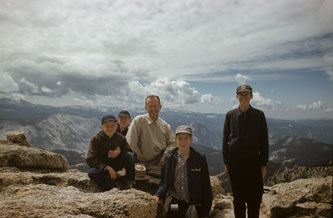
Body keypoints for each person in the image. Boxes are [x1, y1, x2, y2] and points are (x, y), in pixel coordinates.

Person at [222, 84, 269, 218]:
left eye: (246, 94)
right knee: (238, 199)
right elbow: (225, 140)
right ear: (237, 97)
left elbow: (264, 141)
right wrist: (226, 162)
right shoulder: (230, 115)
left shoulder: (259, 115)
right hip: (235, 163)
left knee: (254, 199)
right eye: (241, 94)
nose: (244, 97)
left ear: (251, 96)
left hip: (254, 163)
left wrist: (263, 164)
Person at [153, 125, 213, 218]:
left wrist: (205, 212)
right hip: (175, 202)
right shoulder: (169, 157)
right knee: (173, 216)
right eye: (180, 139)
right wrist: (158, 195)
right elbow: (164, 182)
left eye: (186, 138)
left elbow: (206, 187)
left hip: (193, 204)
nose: (183, 142)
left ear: (191, 139)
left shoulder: (199, 159)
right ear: (175, 139)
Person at [126, 95, 177, 177]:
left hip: (158, 161)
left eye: (155, 106)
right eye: (150, 106)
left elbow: (173, 143)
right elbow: (130, 143)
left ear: (160, 107)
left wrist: (166, 154)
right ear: (146, 108)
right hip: (140, 161)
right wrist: (137, 159)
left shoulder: (165, 125)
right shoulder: (138, 121)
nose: (153, 109)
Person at [86, 115, 135, 191]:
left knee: (130, 156)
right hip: (102, 167)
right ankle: (115, 186)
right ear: (101, 127)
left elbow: (130, 152)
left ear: (116, 126)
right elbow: (90, 159)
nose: (110, 128)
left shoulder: (121, 138)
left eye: (112, 125)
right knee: (92, 172)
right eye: (107, 126)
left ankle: (129, 181)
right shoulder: (96, 139)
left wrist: (119, 151)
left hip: (116, 164)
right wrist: (106, 167)